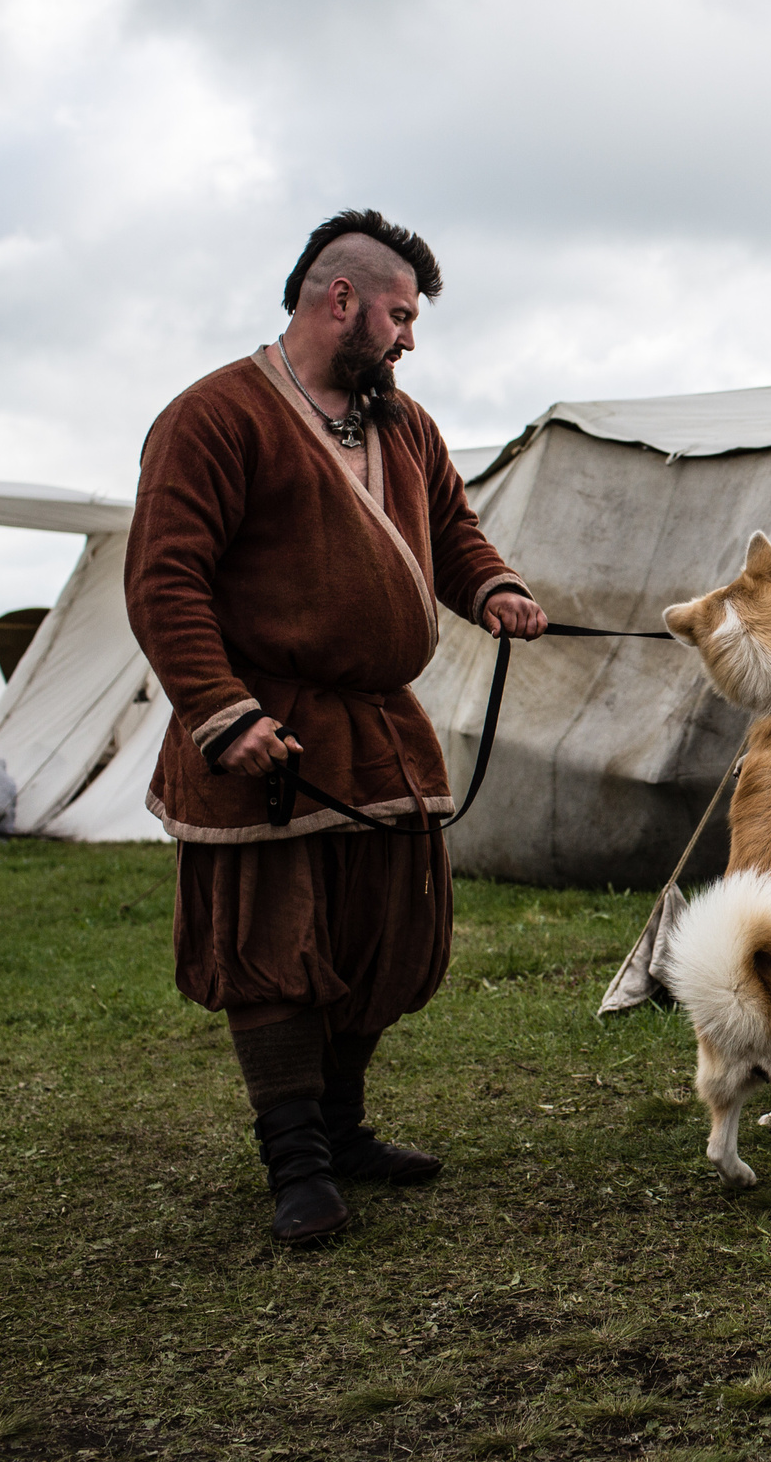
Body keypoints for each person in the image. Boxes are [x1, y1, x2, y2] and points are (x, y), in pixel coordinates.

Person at [126, 209, 549, 1245]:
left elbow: (451, 528)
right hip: (261, 726)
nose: (410, 338)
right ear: (340, 299)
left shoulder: (402, 426)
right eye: (401, 316)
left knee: (378, 936)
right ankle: (297, 1162)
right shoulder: (215, 416)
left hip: (377, 726)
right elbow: (164, 577)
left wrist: (489, 587)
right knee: (272, 946)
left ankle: (346, 1128)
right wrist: (222, 715)